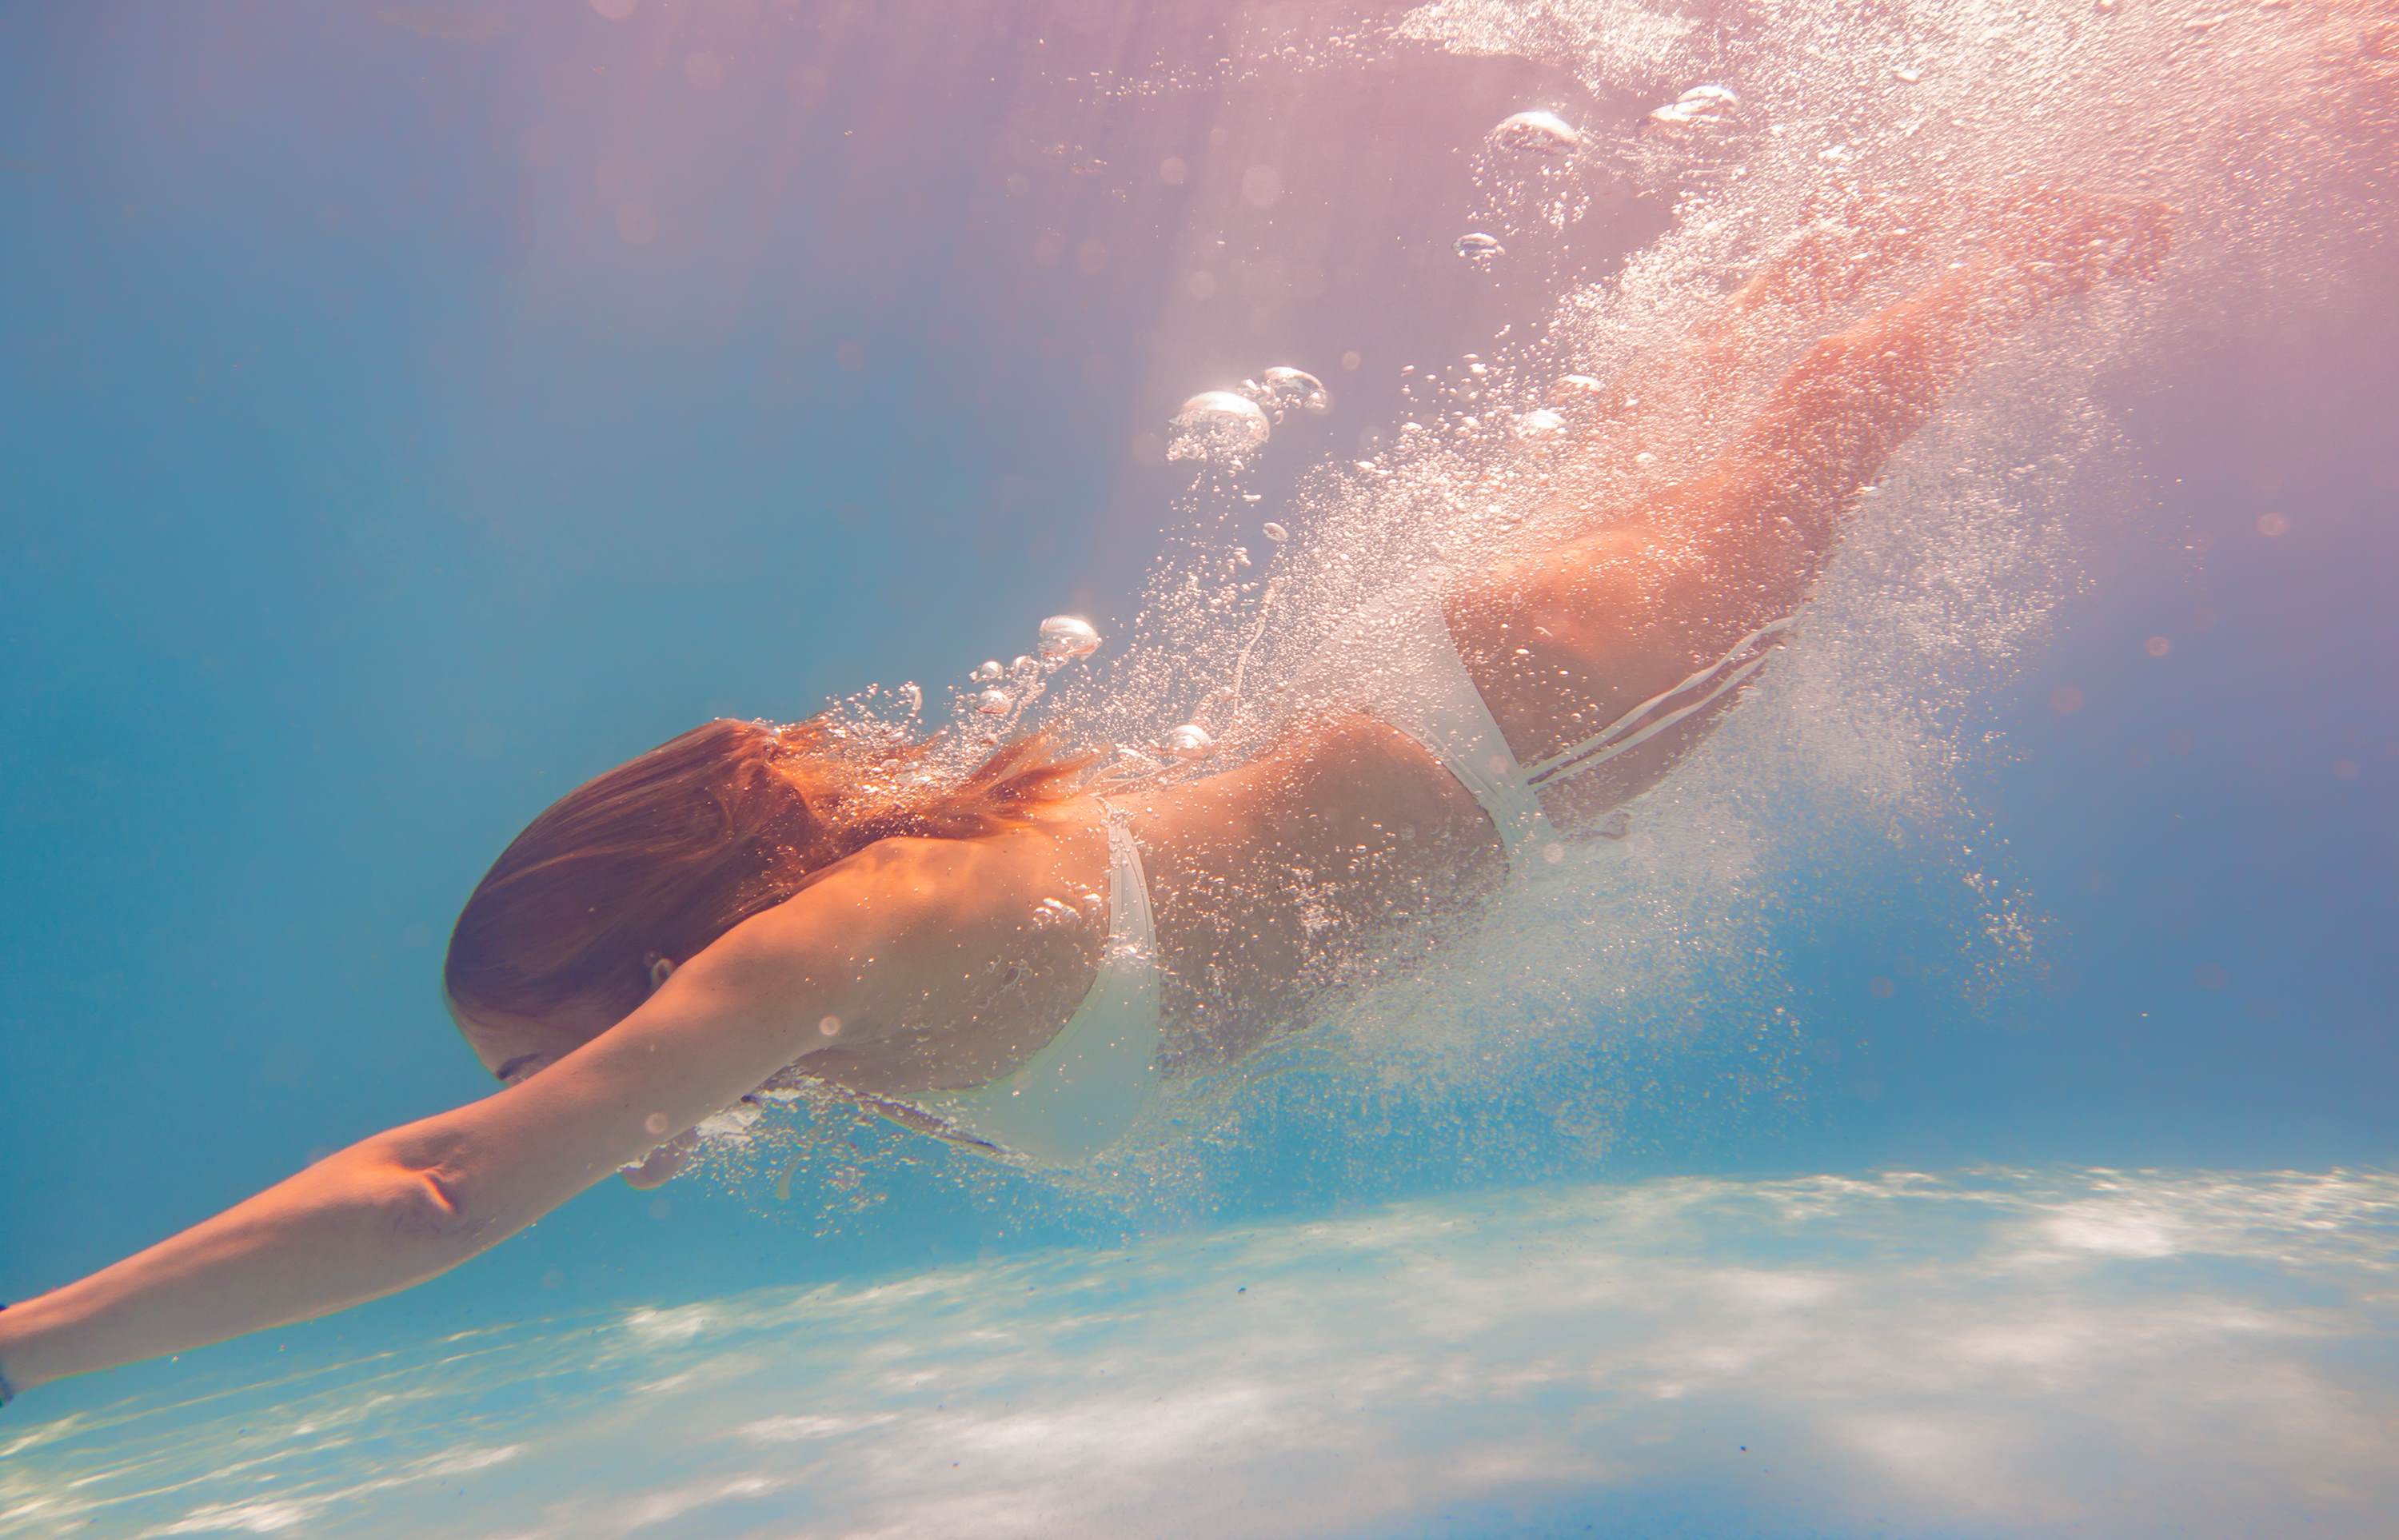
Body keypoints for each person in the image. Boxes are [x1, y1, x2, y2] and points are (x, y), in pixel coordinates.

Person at [0, 187, 2167, 1409]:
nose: (578, 1118)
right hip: (1501, 734)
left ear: (657, 973)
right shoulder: (834, 998)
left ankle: (2120, 172)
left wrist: (29, 1347)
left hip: (1531, 728)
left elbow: (441, 1196)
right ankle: (1893, 223)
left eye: (547, 1068)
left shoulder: (833, 948)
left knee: (1847, 417)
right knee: (1776, 418)